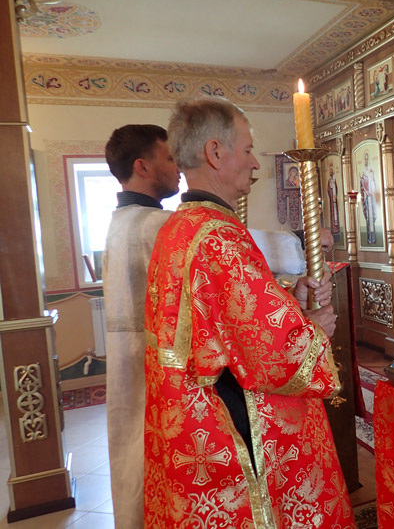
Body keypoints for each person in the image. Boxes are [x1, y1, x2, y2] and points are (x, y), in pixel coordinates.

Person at [144, 97, 352, 527]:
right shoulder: (218, 236)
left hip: (189, 419)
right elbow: (275, 356)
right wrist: (313, 328)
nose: (256, 163)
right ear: (215, 153)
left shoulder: (179, 227)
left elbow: (222, 322)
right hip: (228, 422)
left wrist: (289, 299)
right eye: (248, 149)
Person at [102, 123, 181, 529]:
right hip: (153, 366)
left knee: (131, 454)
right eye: (169, 157)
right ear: (142, 167)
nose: (179, 166)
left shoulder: (120, 221)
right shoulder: (156, 225)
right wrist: (299, 246)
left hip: (126, 366)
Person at [360, 151, 378, 244]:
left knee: (372, 218)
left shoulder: (371, 170)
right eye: (365, 159)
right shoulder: (363, 171)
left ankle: (373, 238)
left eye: (367, 159)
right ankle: (369, 239)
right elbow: (362, 184)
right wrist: (366, 192)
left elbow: (373, 182)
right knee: (368, 218)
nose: (366, 161)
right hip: (367, 198)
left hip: (372, 198)